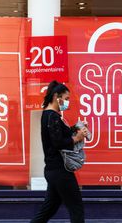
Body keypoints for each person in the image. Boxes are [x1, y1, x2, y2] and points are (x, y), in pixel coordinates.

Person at [30, 80, 88, 223]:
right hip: (60, 171)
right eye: (66, 99)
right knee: (76, 208)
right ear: (57, 96)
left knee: (48, 209)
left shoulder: (49, 115)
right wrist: (77, 138)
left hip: (53, 170)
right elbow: (57, 142)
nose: (67, 102)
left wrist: (77, 127)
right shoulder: (53, 116)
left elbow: (62, 134)